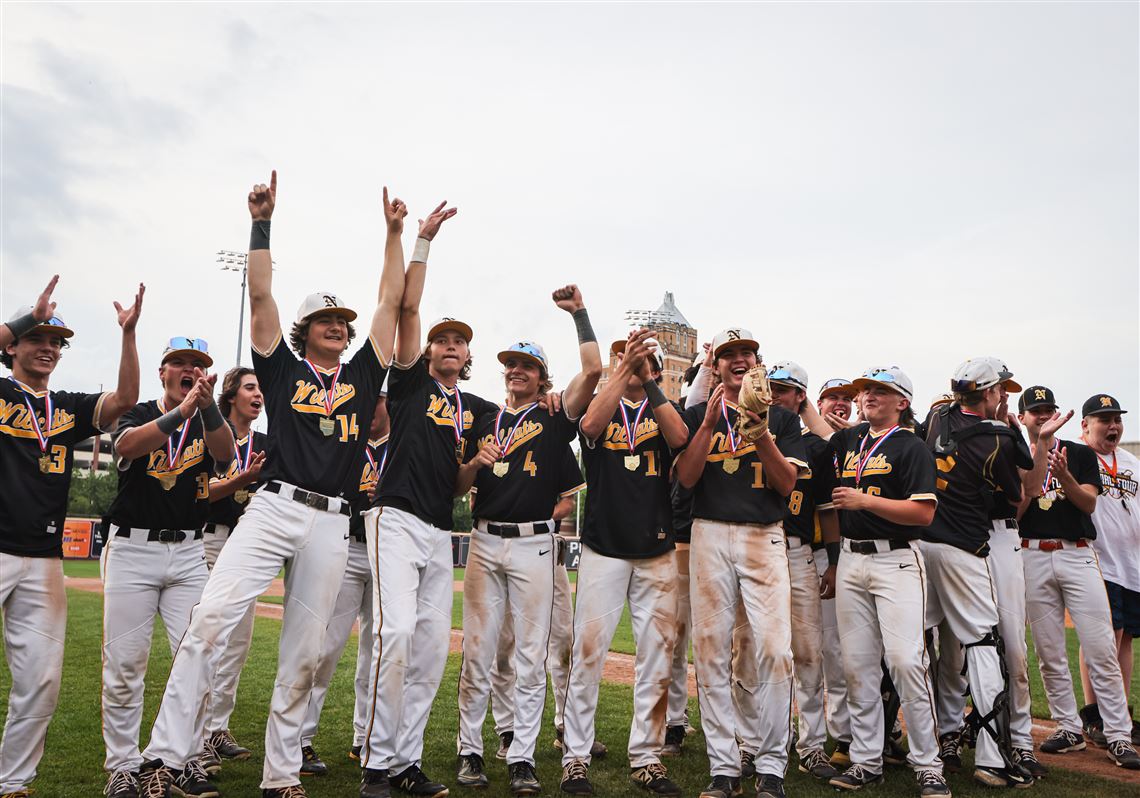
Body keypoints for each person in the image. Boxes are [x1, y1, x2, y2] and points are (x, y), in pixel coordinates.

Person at [138, 172, 398, 798]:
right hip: (275, 506)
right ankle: (163, 760)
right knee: (211, 620)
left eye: (342, 321)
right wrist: (261, 222)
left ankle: (280, 775)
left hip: (335, 521)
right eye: (325, 320)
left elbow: (390, 306)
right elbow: (260, 299)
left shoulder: (363, 373)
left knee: (304, 653)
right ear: (305, 329)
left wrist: (394, 236)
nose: (337, 326)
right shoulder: (281, 368)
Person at [454, 286, 602, 796]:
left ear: (542, 377)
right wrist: (472, 462)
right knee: (478, 651)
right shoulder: (481, 417)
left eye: (527, 365)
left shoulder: (552, 418)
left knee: (531, 654)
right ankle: (470, 750)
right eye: (511, 364)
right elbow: (459, 482)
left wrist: (579, 314)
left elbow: (594, 372)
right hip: (485, 540)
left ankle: (522, 758)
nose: (517, 370)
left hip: (535, 544)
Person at [0, 276, 143, 798]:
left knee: (39, 682)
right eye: (37, 338)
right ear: (11, 345)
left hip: (42, 558)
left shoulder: (63, 406)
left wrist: (128, 334)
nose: (49, 348)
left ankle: (12, 784)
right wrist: (21, 320)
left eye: (57, 342)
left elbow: (126, 397)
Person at [801, 366, 949, 797]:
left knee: (905, 661)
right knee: (858, 666)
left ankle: (929, 764)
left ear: (902, 402)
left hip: (896, 561)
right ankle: (867, 761)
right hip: (850, 558)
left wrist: (865, 500)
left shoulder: (911, 447)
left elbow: (924, 513)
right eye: (865, 390)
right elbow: (810, 413)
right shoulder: (849, 440)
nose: (867, 396)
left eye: (880, 391)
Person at [675, 329, 806, 798]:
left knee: (773, 648)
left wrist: (761, 435)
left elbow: (787, 485)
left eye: (745, 353)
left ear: (757, 363)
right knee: (710, 652)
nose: (737, 360)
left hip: (762, 533)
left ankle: (771, 764)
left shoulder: (784, 418)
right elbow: (685, 480)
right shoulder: (695, 414)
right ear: (714, 365)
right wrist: (708, 427)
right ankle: (724, 767)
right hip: (708, 531)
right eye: (727, 354)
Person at [103, 337, 235, 798]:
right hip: (133, 550)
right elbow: (130, 444)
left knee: (198, 657)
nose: (189, 370)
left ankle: (184, 758)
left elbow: (226, 454)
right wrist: (181, 413)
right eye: (180, 362)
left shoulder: (206, 419)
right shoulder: (139, 411)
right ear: (163, 372)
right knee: (124, 663)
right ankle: (122, 765)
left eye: (197, 365)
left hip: (188, 552)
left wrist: (208, 405)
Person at [559, 330, 688, 797]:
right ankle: (575, 756)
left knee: (656, 656)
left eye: (641, 356)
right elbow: (589, 428)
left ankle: (647, 757)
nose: (634, 361)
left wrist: (650, 376)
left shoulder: (659, 405)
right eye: (625, 354)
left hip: (656, 548)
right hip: (603, 546)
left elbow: (679, 437)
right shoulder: (606, 404)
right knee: (589, 654)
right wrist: (621, 367)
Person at [920, 359, 1034, 788]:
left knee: (917, 647)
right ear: (987, 393)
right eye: (999, 390)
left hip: (921, 542)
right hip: (964, 547)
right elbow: (1016, 491)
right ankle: (990, 757)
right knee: (983, 644)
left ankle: (920, 746)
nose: (1003, 396)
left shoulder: (936, 417)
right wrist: (1009, 426)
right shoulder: (998, 438)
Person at [1018, 387, 1140, 769]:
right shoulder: (1015, 454)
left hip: (1078, 553)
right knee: (1049, 651)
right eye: (1035, 411)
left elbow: (1088, 502)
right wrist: (1038, 462)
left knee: (1101, 646)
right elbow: (1017, 509)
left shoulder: (1080, 452)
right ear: (1022, 418)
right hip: (1031, 554)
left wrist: (1065, 477)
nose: (1042, 415)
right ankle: (1069, 727)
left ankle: (1119, 735)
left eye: (1048, 409)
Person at [299, 393, 390, 775]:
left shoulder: (401, 445)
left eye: (378, 402)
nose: (369, 410)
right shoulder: (345, 441)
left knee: (377, 652)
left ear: (389, 404)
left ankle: (364, 737)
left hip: (388, 551)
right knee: (327, 647)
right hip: (349, 549)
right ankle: (300, 738)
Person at [201, 366, 268, 768]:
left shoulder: (267, 442)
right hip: (210, 539)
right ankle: (197, 732)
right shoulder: (211, 434)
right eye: (249, 387)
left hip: (248, 542)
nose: (258, 393)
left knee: (238, 642)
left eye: (260, 388)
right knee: (210, 636)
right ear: (230, 397)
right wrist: (240, 478)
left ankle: (217, 729)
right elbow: (202, 495)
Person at [1078, 394, 1140, 746]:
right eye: (1104, 419)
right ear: (1085, 425)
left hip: (1131, 564)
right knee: (1104, 637)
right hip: (1098, 559)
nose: (1113, 425)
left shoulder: (1131, 461)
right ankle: (1095, 713)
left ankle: (1122, 713)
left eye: (1117, 419)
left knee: (1126, 637)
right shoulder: (1079, 457)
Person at [813, 377, 858, 765]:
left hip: (846, 552)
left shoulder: (862, 444)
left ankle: (854, 734)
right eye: (833, 398)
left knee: (846, 648)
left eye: (847, 399)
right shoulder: (803, 438)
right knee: (820, 647)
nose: (840, 404)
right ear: (818, 403)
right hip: (805, 550)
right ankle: (834, 734)